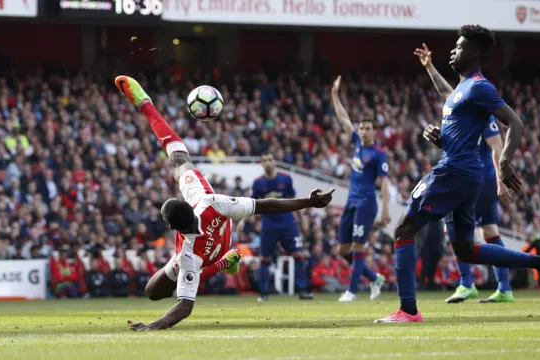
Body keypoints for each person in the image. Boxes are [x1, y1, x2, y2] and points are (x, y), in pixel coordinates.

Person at [114, 75, 334, 331]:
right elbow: (265, 205)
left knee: (159, 287)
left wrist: (153, 326)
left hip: (206, 253)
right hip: (213, 247)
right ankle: (224, 260)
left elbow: (185, 306)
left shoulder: (193, 239)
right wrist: (308, 201)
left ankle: (223, 260)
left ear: (175, 229)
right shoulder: (209, 203)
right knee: (153, 291)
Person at [375, 25, 540, 323]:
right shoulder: (461, 90)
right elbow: (452, 108)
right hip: (463, 171)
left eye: (459, 47)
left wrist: (505, 162)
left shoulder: (479, 86)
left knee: (403, 229)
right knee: (465, 250)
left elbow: (515, 122)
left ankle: (408, 310)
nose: (453, 50)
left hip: (455, 171)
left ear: (473, 53)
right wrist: (440, 137)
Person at [414, 43, 514, 303]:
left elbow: (496, 147)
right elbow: (447, 92)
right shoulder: (470, 104)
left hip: (476, 178)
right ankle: (504, 288)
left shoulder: (484, 113)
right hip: (481, 178)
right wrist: (430, 68)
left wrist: (500, 181)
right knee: (490, 231)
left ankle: (467, 283)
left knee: (456, 232)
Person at [330, 76, 388, 302]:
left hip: (366, 203)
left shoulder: (378, 154)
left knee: (357, 245)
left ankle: (352, 291)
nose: (363, 131)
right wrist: (335, 95)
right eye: (361, 128)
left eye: (367, 128)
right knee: (343, 251)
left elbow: (384, 183)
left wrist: (384, 210)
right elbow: (344, 119)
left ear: (374, 131)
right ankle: (374, 278)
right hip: (351, 202)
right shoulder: (355, 142)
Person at [237, 153, 313, 301]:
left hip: (288, 223)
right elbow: (252, 203)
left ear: (274, 162)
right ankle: (264, 293)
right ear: (262, 164)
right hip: (269, 224)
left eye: (270, 160)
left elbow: (294, 200)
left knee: (299, 255)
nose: (268, 163)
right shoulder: (258, 183)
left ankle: (303, 290)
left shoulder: (285, 179)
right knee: (265, 258)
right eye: (265, 160)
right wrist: (243, 220)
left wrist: (302, 218)